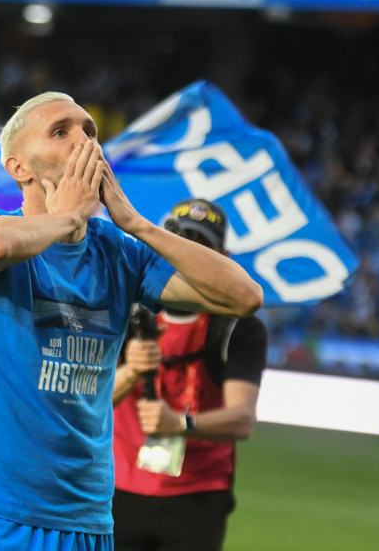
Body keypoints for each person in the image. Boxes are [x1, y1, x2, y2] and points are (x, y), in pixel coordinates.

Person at [0, 92, 263, 551]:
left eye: (89, 131)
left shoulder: (119, 250)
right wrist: (66, 216)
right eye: (60, 131)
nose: (84, 142)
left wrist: (138, 225)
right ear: (20, 168)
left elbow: (244, 297)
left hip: (89, 520)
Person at [110, 199, 268, 551]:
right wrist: (132, 371)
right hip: (119, 486)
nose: (188, 256)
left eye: (201, 247)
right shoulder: (127, 309)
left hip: (198, 494)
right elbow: (92, 402)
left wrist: (181, 423)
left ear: (222, 256)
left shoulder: (237, 327)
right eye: (181, 242)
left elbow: (242, 421)